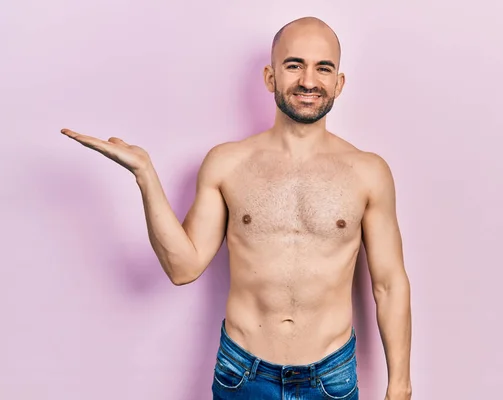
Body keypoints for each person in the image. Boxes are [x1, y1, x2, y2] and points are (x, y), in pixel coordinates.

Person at [61, 16, 412, 400]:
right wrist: (145, 174)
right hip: (242, 373)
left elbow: (389, 284)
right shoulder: (227, 164)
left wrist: (400, 385)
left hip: (330, 376)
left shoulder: (368, 172)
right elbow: (183, 267)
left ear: (338, 83)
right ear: (270, 77)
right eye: (294, 65)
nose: (309, 81)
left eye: (322, 68)